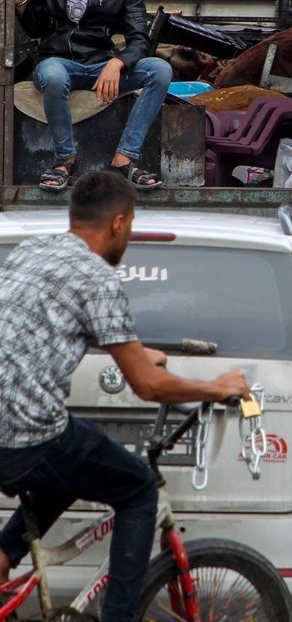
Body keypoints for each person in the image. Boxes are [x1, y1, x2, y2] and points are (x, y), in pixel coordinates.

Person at [0, 170, 249, 622]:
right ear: (119, 223)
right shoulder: (98, 277)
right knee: (135, 486)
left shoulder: (33, 252)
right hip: (25, 431)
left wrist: (130, 349)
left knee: (76, 457)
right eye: (130, 227)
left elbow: (45, 321)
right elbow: (147, 387)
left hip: (10, 429)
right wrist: (217, 386)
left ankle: (1, 557)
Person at [11, 0, 173, 192]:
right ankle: (64, 161)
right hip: (57, 62)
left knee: (159, 69)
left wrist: (117, 62)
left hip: (101, 63)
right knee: (53, 74)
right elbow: (36, 29)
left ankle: (124, 159)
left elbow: (140, 39)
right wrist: (22, 1)